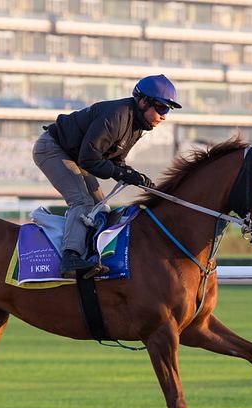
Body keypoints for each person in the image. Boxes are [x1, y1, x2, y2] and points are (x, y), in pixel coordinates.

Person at [33, 74, 182, 277]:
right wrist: (122, 173)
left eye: (168, 110)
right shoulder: (117, 116)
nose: (164, 116)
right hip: (53, 149)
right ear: (143, 101)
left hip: (75, 155)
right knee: (82, 202)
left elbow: (114, 161)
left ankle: (91, 254)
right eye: (162, 108)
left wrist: (132, 174)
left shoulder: (137, 126)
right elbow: (89, 160)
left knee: (101, 207)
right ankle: (70, 257)